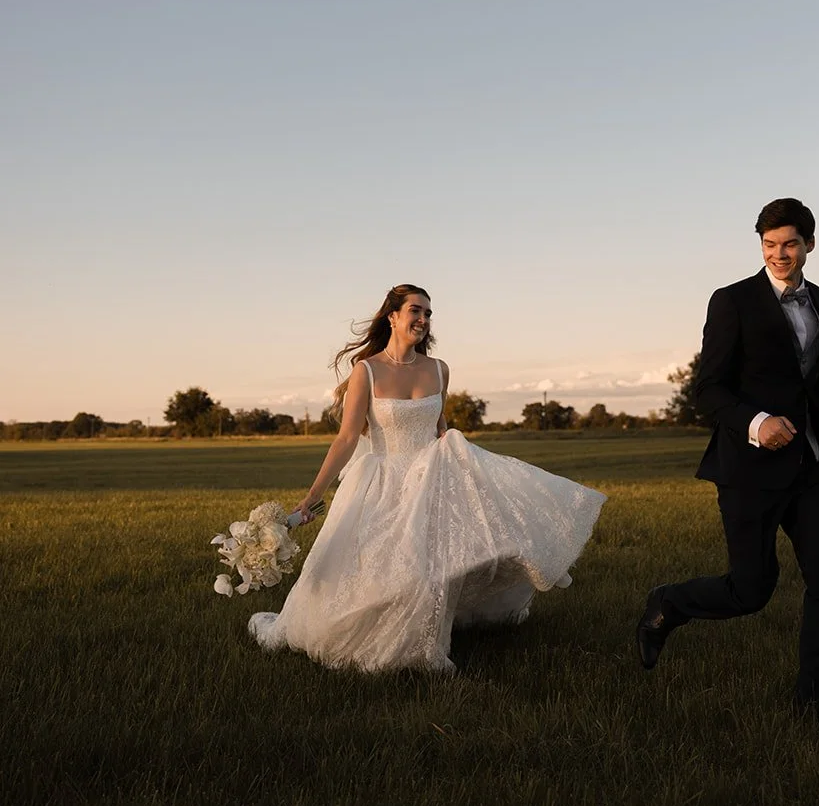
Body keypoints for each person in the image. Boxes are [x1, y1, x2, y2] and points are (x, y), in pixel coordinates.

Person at [249, 285, 606, 673]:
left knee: (435, 563)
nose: (423, 319)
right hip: (383, 480)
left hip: (433, 478)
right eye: (415, 311)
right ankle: (372, 635)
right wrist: (312, 495)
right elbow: (348, 438)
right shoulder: (366, 371)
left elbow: (440, 428)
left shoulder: (439, 369)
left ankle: (425, 642)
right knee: (384, 567)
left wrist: (463, 471)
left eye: (428, 313)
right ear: (393, 316)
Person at [636, 199, 819, 716]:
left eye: (789, 244)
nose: (779, 254)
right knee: (750, 590)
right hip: (747, 470)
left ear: (809, 243)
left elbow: (808, 377)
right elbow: (709, 390)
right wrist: (757, 423)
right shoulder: (732, 300)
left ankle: (818, 703)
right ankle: (668, 604)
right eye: (769, 245)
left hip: (807, 467)